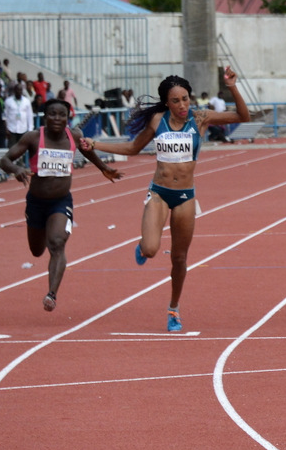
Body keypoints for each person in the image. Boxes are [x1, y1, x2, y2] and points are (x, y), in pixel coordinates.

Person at [81, 69, 250, 332]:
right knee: (150, 249)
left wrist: (232, 87)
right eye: (176, 101)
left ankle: (173, 308)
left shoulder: (200, 118)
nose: (182, 105)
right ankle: (142, 247)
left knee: (180, 259)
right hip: (159, 193)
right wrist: (96, 145)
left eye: (185, 99)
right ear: (166, 103)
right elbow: (133, 149)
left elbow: (243, 116)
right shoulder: (157, 121)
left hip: (185, 196)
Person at [0, 98, 123, 312]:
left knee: (57, 243)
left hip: (61, 201)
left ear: (68, 117)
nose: (57, 118)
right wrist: (16, 170)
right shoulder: (33, 137)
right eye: (52, 114)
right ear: (45, 117)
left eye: (62, 115)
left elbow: (88, 151)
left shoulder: (73, 136)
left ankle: (51, 294)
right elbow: (5, 160)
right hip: (36, 203)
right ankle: (47, 269)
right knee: (37, 251)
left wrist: (104, 168)